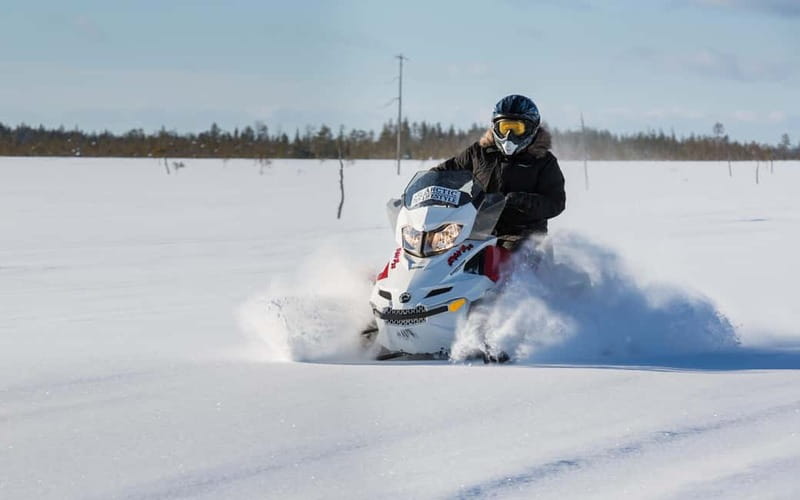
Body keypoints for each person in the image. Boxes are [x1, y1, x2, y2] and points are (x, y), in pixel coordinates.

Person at [432, 94, 566, 251]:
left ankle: (522, 276)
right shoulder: (479, 152)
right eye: (505, 127)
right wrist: (427, 187)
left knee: (506, 260)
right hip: (475, 227)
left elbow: (556, 202)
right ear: (495, 127)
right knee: (437, 245)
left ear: (531, 129)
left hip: (520, 233)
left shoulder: (543, 161)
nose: (509, 135)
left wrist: (523, 201)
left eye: (516, 128)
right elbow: (446, 171)